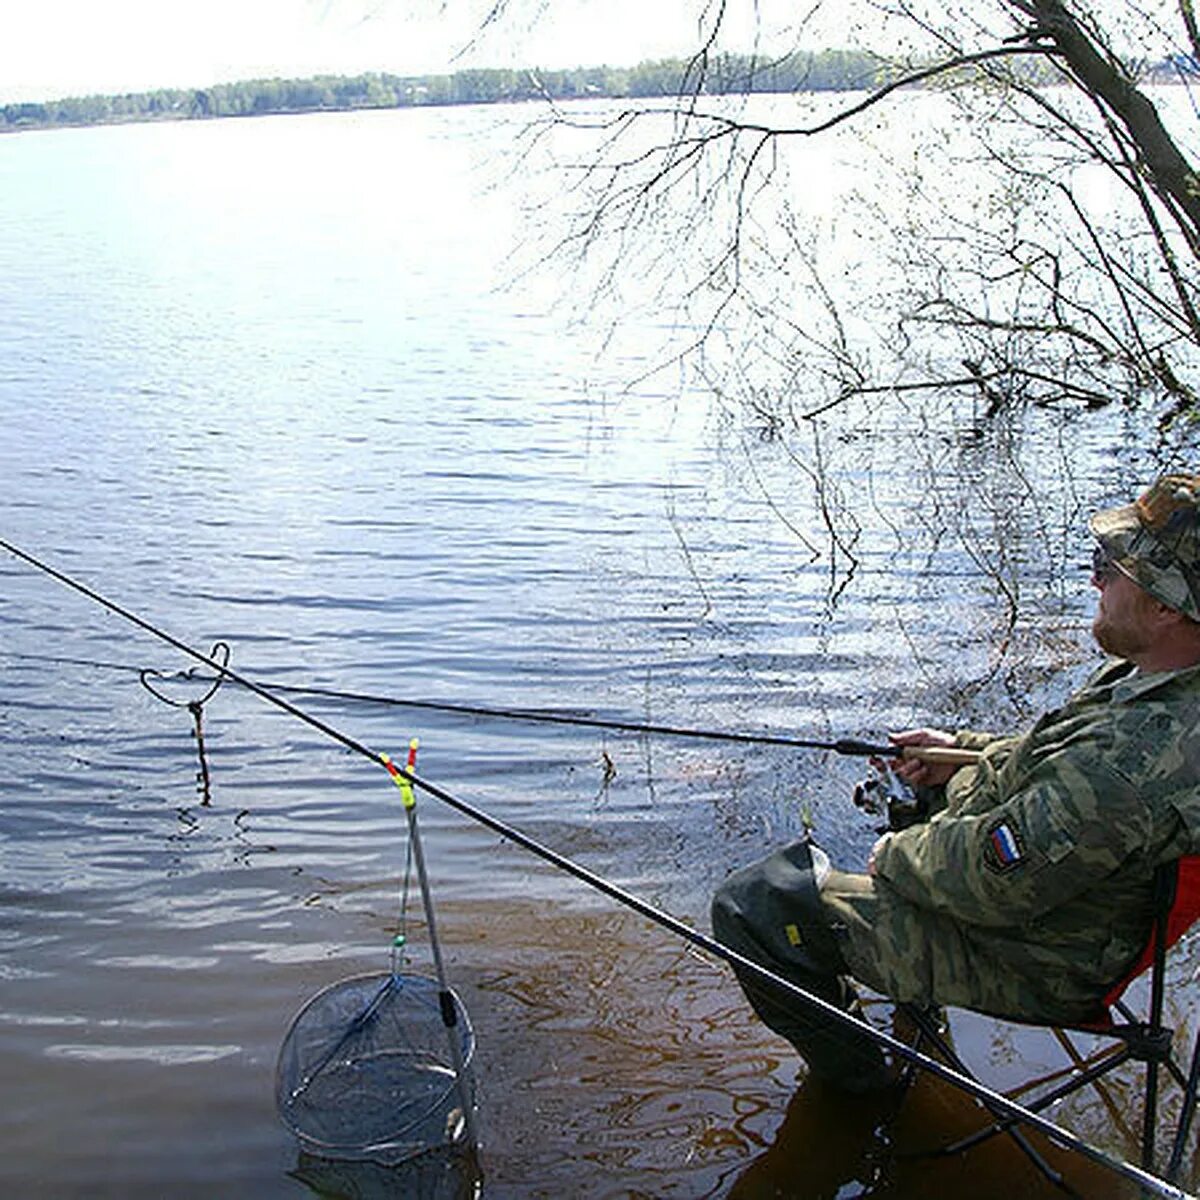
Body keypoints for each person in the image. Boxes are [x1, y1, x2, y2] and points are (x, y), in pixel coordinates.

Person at [711, 472, 1200, 1092]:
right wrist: (962, 754)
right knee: (919, 792)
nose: (1095, 577)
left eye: (1113, 567)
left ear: (1164, 606)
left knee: (754, 907)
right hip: (1076, 907)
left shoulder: (1128, 767)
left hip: (1036, 960)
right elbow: (1054, 763)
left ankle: (863, 1091)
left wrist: (894, 857)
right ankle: (911, 1014)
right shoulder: (1162, 679)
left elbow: (989, 882)